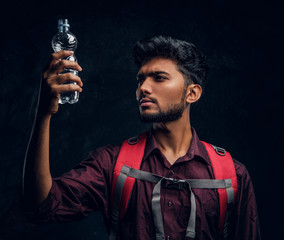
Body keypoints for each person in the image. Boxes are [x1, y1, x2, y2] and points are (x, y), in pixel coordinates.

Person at [22, 36, 260, 240]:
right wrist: (43, 113)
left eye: (159, 77)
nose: (143, 88)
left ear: (192, 93)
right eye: (140, 80)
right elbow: (41, 206)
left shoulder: (232, 174)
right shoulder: (112, 164)